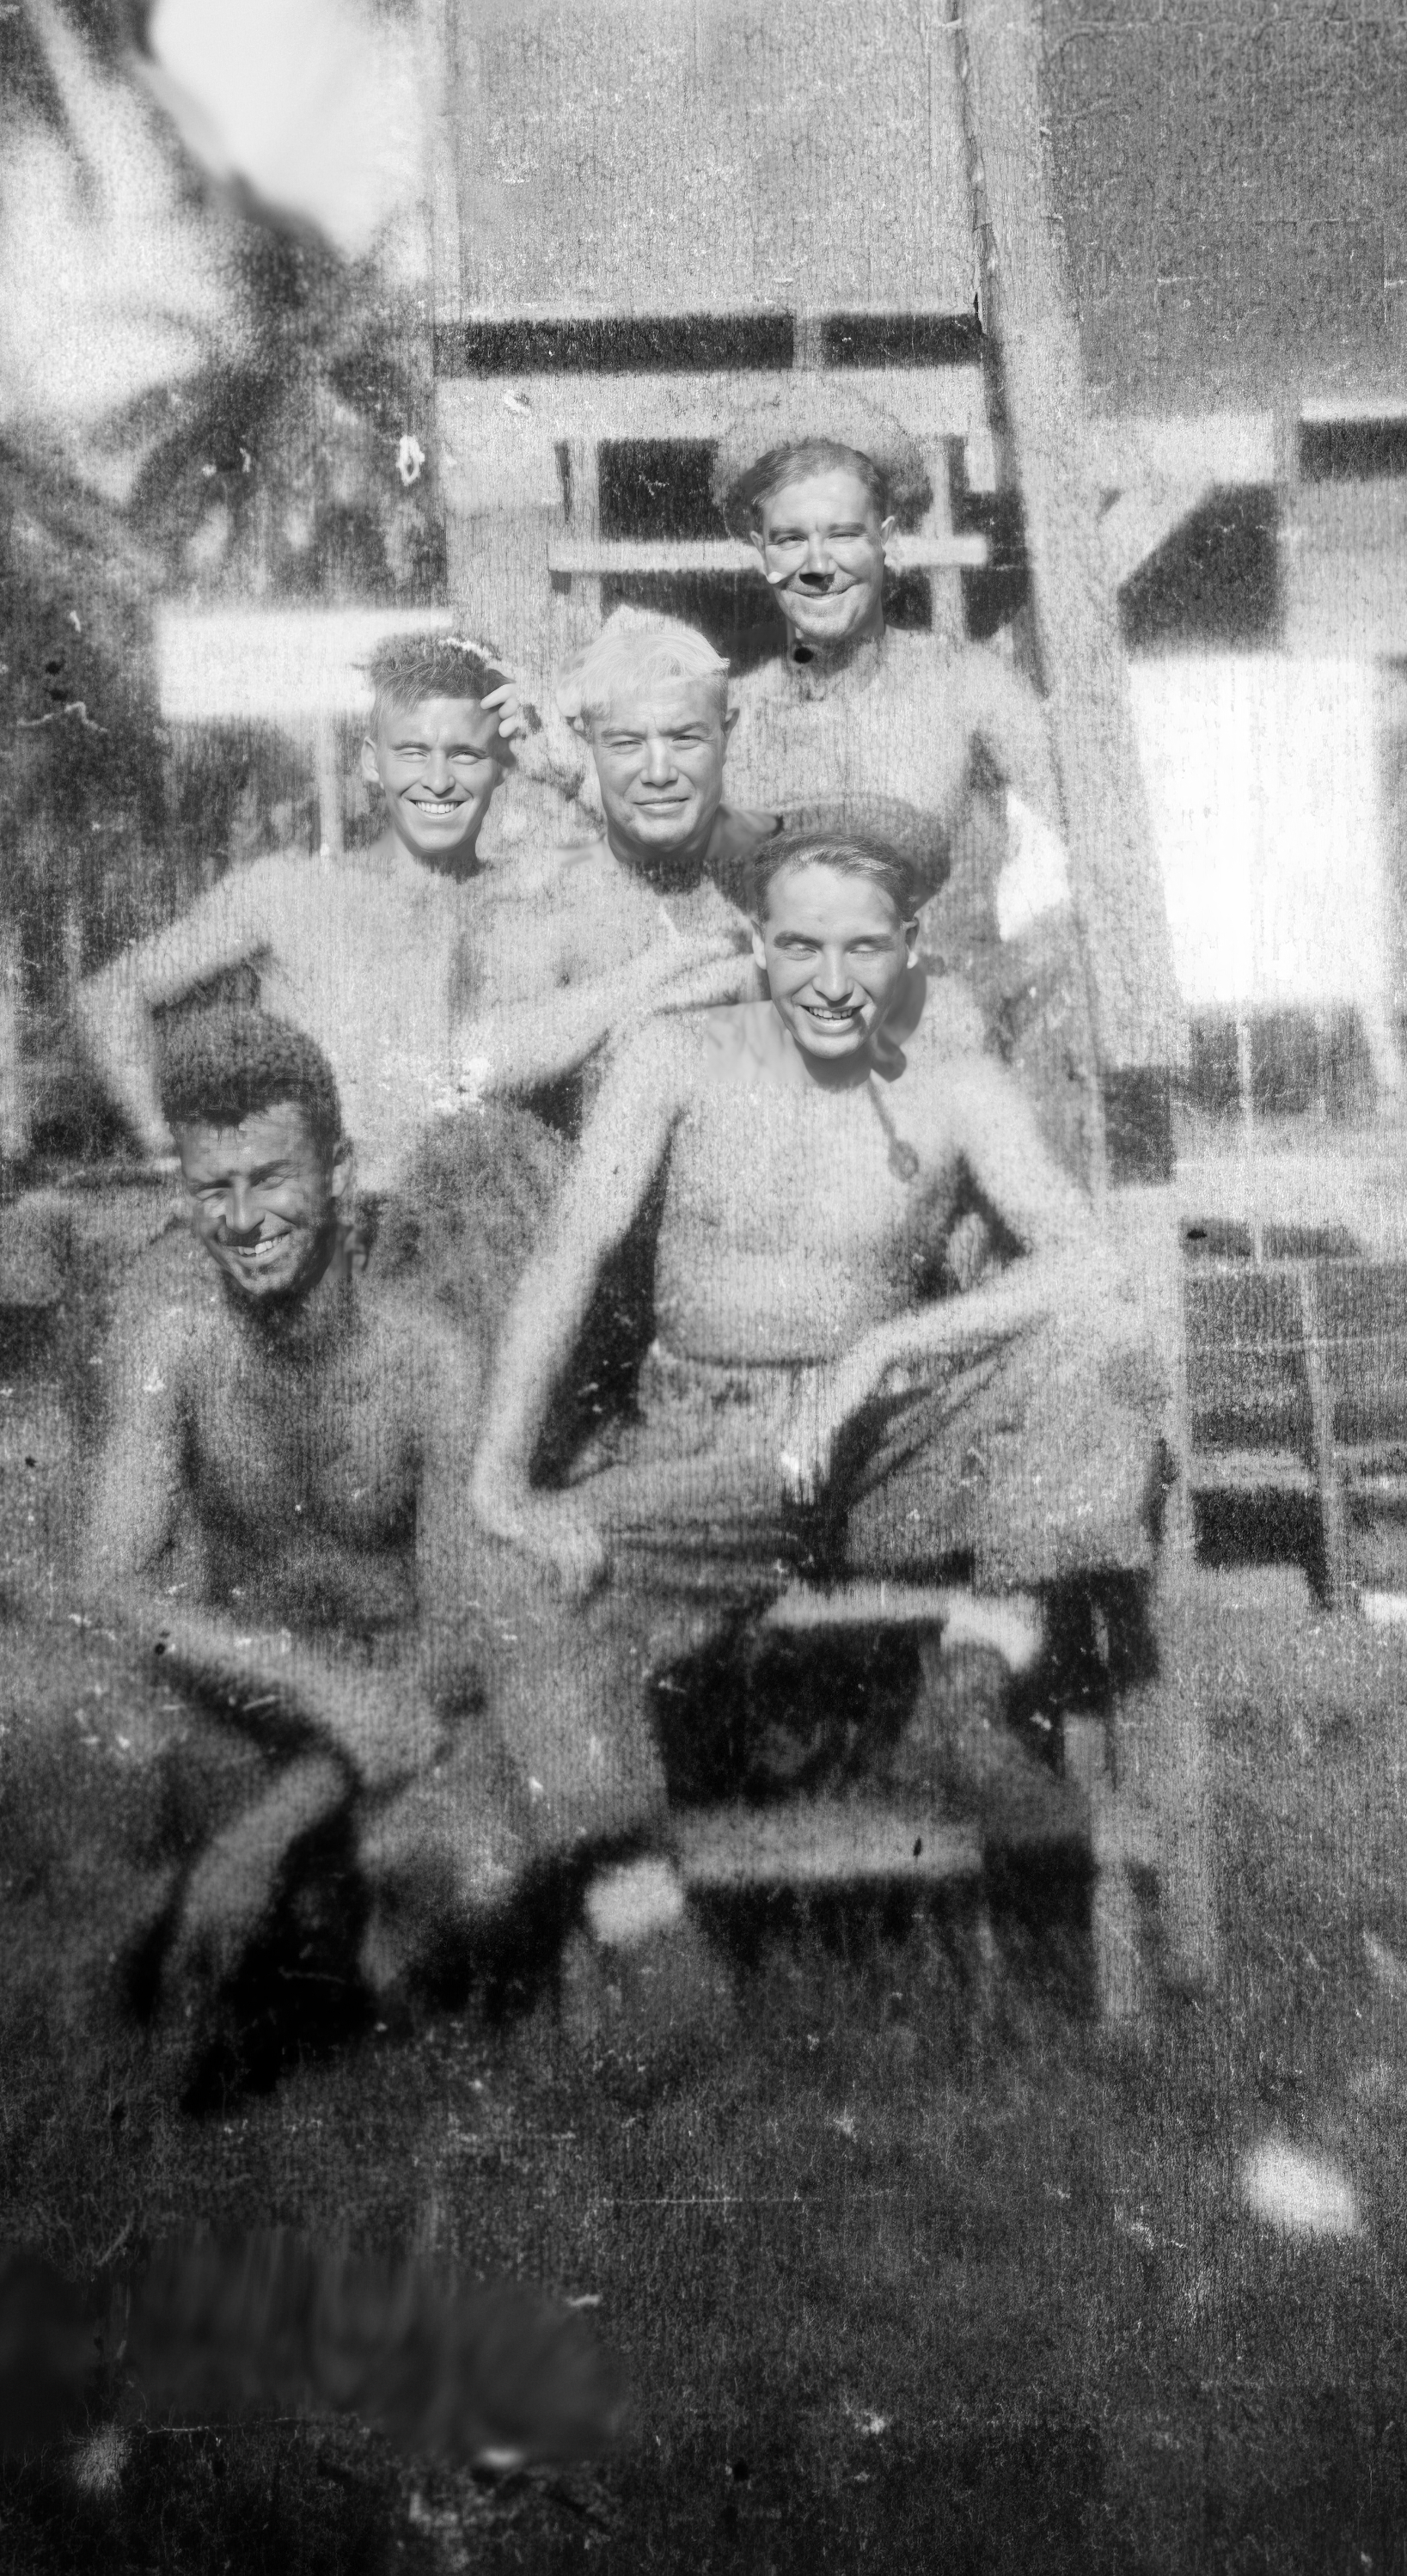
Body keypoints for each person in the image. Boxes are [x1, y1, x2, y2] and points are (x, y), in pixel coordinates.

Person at [464, 797, 1168, 2023]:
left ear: (907, 948)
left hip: (880, 1444)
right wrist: (499, 1476)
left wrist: (891, 1344)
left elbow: (1091, 1262)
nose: (831, 979)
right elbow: (567, 1255)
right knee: (511, 1571)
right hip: (712, 1442)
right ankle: (650, 1939)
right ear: (756, 938)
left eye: (862, 948)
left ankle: (972, 1683)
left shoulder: (953, 1084)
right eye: (800, 946)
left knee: (1103, 1341)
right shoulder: (675, 1058)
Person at [76, 1007, 526, 2055]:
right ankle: (292, 1927)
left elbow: (459, 1638)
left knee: (480, 1878)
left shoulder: (429, 1358)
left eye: (271, 1177)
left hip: (403, 1708)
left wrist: (259, 1834)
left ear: (337, 1171)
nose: (242, 1218)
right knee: (108, 1809)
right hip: (257, 1692)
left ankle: (314, 1923)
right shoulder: (173, 1341)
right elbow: (109, 1586)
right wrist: (303, 1680)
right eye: (213, 1188)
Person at [74, 631, 529, 1206]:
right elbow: (109, 995)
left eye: (465, 754)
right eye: (413, 752)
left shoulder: (517, 904)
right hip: (313, 1234)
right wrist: (172, 1155)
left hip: (456, 1242)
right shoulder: (292, 891)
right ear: (371, 762)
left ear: (501, 766)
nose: (438, 780)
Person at [712, 387, 1064, 976]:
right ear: (760, 555)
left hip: (944, 1021)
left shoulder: (965, 686)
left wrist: (1032, 956)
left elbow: (1097, 845)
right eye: (791, 538)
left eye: (844, 534)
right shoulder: (728, 715)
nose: (818, 567)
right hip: (778, 1031)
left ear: (888, 541)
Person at [453, 605, 766, 1118]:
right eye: (626, 744)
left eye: (684, 738)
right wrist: (662, 975)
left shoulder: (764, 878)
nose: (659, 772)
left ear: (727, 735)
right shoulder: (556, 888)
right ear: (588, 748)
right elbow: (474, 1063)